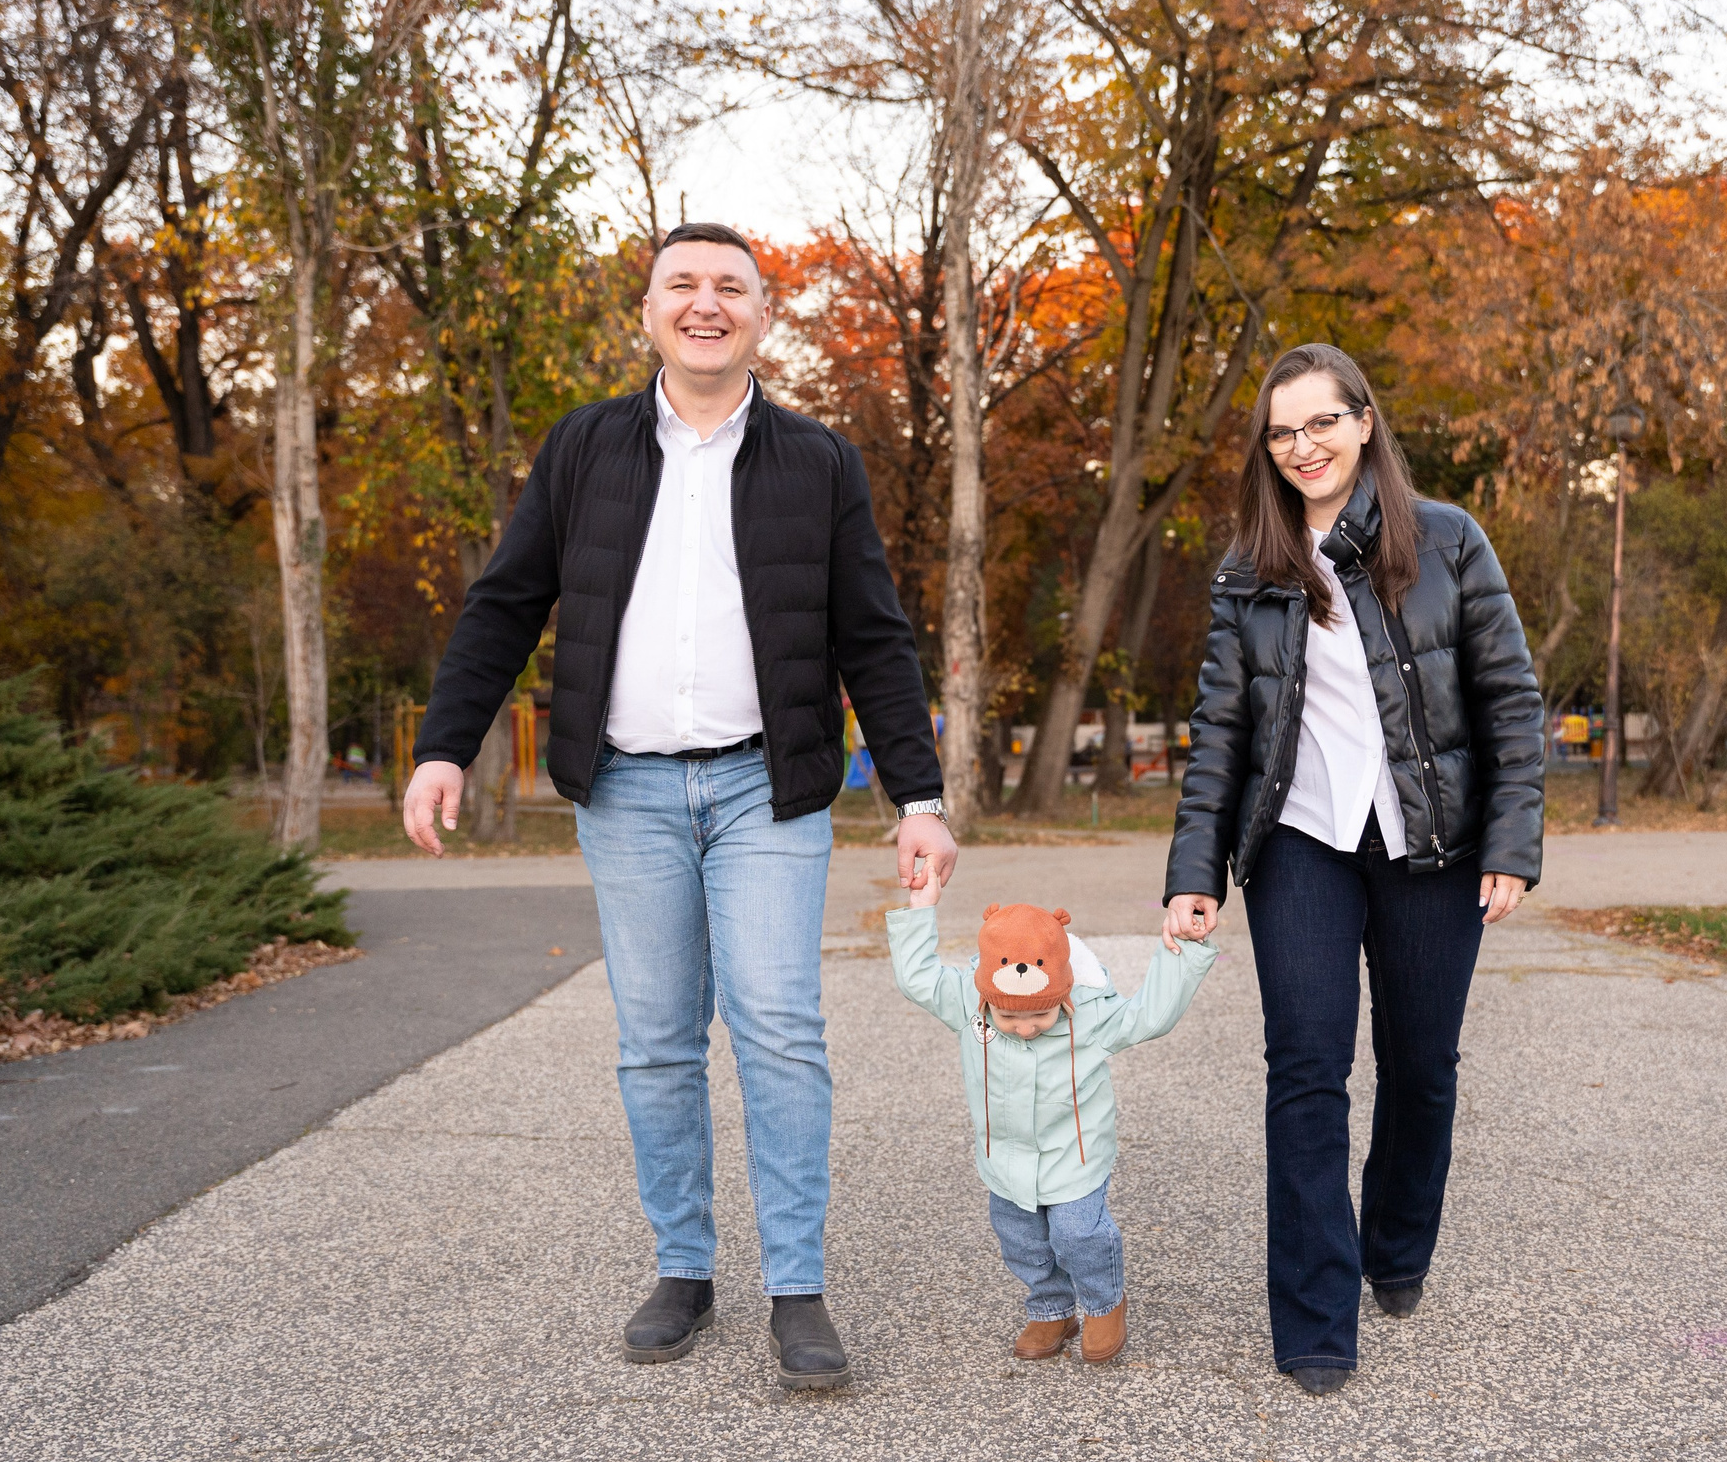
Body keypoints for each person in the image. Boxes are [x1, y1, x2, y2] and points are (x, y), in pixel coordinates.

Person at [401, 222, 959, 1391]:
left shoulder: (819, 462)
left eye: (731, 289)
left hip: (771, 787)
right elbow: (505, 605)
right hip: (630, 792)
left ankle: (795, 1287)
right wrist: (445, 745)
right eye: (682, 287)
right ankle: (684, 1266)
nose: (706, 305)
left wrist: (919, 794)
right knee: (656, 1043)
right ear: (648, 311)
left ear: (763, 313)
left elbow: (874, 636)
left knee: (779, 1034)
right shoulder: (584, 449)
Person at [1161, 342, 1544, 1397]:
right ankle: (1314, 1314)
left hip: (1432, 847)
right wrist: (1194, 870)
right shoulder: (1249, 571)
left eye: (1320, 423)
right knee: (1306, 1071)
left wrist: (1512, 845)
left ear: (1364, 422)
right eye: (1281, 432)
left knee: (1420, 1068)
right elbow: (1219, 736)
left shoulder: (1450, 543)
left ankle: (1398, 1246)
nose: (1302, 447)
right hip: (1300, 849)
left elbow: (1511, 701)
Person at [885, 880, 1215, 1366]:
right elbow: (917, 978)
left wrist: (1185, 949)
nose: (1023, 1027)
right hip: (1006, 1158)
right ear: (986, 996)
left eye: (1040, 1015)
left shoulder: (1091, 1013)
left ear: (1063, 992)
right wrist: (920, 908)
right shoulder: (967, 1002)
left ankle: (1105, 1302)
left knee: (1077, 1233)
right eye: (1008, 1017)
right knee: (1021, 1240)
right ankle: (1051, 1309)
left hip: (1074, 1157)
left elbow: (1151, 1016)